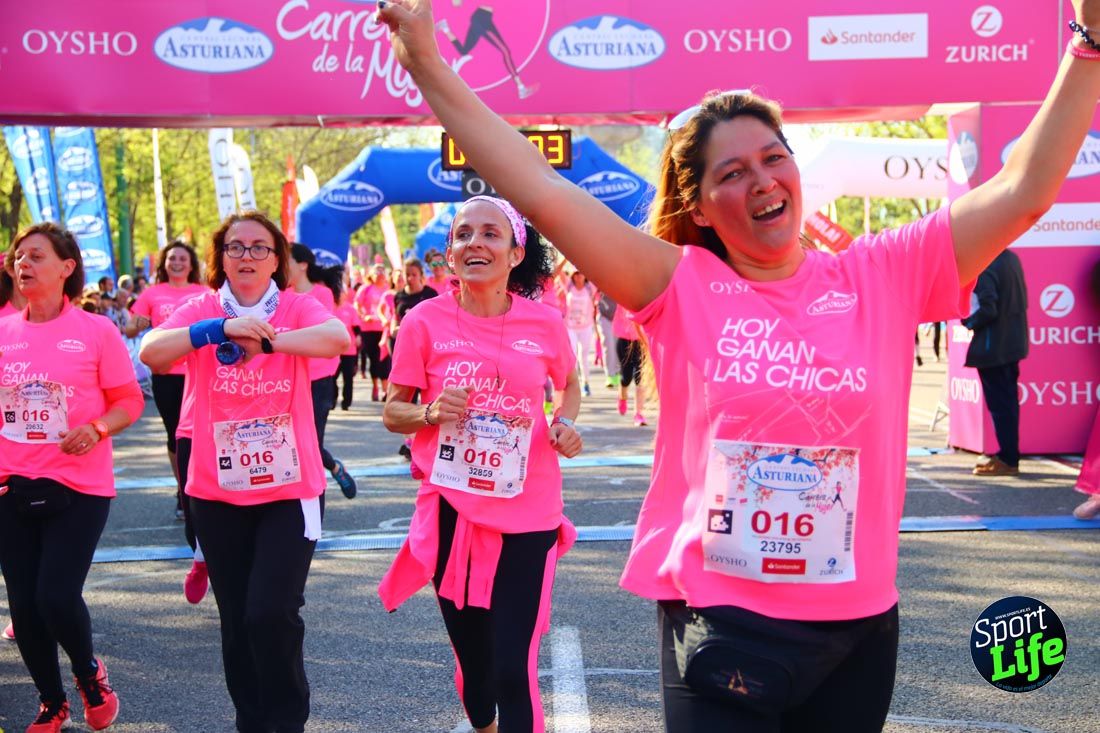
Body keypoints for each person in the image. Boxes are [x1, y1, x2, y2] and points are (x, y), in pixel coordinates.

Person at [377, 1, 1100, 728]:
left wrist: (1088, 40)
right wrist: (430, 67)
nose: (761, 180)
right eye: (732, 171)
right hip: (720, 626)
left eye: (773, 158)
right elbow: (542, 188)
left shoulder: (882, 273)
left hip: (858, 629)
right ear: (698, 206)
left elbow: (1023, 191)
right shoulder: (677, 282)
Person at [378, 195, 582, 733]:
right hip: (454, 508)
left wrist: (564, 422)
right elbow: (393, 412)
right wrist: (426, 411)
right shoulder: (423, 321)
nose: (476, 243)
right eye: (463, 235)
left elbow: (571, 384)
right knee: (477, 666)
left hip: (530, 506)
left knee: (515, 666)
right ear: (450, 253)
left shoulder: (545, 323)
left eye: (491, 234)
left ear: (516, 254)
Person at [140, 211, 349, 733]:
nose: (248, 257)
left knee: (270, 612)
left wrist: (270, 340)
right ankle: (251, 723)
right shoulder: (203, 307)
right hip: (217, 491)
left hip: (290, 490)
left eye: (260, 248)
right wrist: (217, 330)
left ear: (277, 259)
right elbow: (151, 353)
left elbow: (337, 338)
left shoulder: (298, 305)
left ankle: (286, 722)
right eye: (236, 247)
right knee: (235, 620)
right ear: (222, 258)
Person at [0, 222, 145, 732]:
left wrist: (97, 427)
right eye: (19, 256)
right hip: (10, 484)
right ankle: (52, 701)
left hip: (79, 485)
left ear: (66, 268)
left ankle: (89, 676)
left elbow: (130, 401)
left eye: (36, 256)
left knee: (54, 596)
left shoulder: (96, 329)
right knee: (23, 604)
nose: (24, 264)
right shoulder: (2, 331)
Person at [126, 241, 209, 520]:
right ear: (164, 263)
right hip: (166, 374)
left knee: (202, 432)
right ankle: (182, 490)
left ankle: (205, 487)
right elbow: (130, 325)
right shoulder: (152, 294)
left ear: (191, 264)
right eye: (172, 258)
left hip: (199, 373)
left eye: (182, 258)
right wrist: (136, 325)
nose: (176, 262)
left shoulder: (203, 292)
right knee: (176, 434)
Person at [288, 243, 358, 499]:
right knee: (293, 441)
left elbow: (321, 333)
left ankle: (318, 492)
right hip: (290, 379)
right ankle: (326, 472)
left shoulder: (322, 294)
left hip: (319, 378)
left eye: (286, 260)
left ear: (302, 264)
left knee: (312, 443)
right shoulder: (282, 293)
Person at [962, 249, 1029, 477]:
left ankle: (1008, 459)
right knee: (1007, 404)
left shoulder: (986, 261)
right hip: (1012, 343)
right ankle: (1007, 454)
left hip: (995, 346)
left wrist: (968, 321)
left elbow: (988, 307)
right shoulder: (1011, 258)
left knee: (1001, 406)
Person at [354, 264, 391, 399]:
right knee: (374, 359)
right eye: (377, 273)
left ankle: (385, 389)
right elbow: (357, 305)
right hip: (368, 329)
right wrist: (364, 316)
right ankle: (375, 386)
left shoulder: (388, 289)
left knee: (385, 360)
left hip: (384, 329)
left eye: (382, 273)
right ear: (372, 275)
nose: (379, 275)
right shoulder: (366, 289)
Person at [559, 268, 597, 396]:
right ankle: (573, 385)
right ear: (573, 276)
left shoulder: (590, 288)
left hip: (586, 327)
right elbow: (559, 271)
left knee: (583, 357)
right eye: (576, 274)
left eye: (581, 274)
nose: (578, 277)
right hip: (571, 327)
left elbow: (598, 272)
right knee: (573, 355)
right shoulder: (568, 286)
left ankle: (585, 383)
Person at [612, 303, 648, 427]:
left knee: (640, 378)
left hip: (641, 341)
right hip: (624, 339)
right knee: (626, 377)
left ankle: (639, 413)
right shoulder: (622, 293)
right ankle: (622, 396)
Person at [333, 288, 360, 410]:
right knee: (332, 377)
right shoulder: (330, 306)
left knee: (348, 378)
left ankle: (346, 402)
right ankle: (332, 399)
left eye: (342, 292)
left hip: (349, 349)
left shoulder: (351, 309)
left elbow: (356, 327)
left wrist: (358, 337)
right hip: (332, 350)